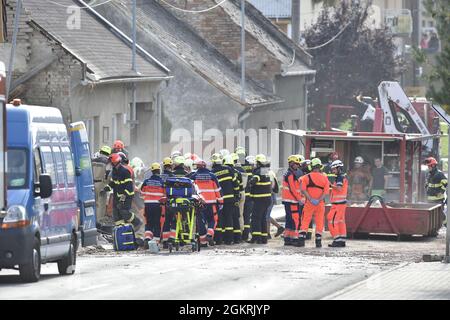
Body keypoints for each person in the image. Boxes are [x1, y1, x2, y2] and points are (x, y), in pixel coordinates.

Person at [105, 153, 143, 234]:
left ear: (115, 162)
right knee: (116, 214)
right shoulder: (115, 171)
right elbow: (113, 182)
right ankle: (122, 231)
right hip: (117, 196)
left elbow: (129, 187)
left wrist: (123, 198)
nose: (110, 164)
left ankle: (137, 222)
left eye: (111, 163)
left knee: (124, 212)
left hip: (127, 196)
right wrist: (107, 188)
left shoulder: (125, 171)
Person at [191, 159, 223, 246]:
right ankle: (209, 234)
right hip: (211, 203)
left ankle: (203, 242)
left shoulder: (194, 176)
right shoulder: (212, 176)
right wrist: (221, 202)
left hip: (199, 203)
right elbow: (218, 190)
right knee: (212, 220)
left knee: (201, 222)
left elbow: (192, 190)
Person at [299, 158, 330, 248]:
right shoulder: (324, 178)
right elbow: (326, 192)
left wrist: (310, 199)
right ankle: (318, 242)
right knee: (319, 221)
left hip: (309, 203)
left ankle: (301, 241)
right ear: (320, 167)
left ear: (311, 167)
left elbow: (303, 190)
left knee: (305, 220)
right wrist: (319, 200)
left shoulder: (305, 177)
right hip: (320, 204)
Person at [211, 153, 240, 245]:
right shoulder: (229, 170)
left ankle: (219, 240)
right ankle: (229, 240)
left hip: (219, 200)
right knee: (229, 219)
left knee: (219, 220)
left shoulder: (212, 173)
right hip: (230, 199)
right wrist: (236, 195)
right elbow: (236, 184)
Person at [248, 154, 273, 244]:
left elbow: (254, 180)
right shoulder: (266, 171)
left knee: (256, 218)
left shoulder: (258, 171)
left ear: (258, 163)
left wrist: (250, 182)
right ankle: (264, 238)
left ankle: (256, 237)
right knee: (263, 218)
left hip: (259, 199)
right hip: (267, 199)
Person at [141, 162, 166, 248]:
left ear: (152, 171)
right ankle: (155, 242)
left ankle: (147, 239)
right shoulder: (162, 182)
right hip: (157, 205)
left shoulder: (146, 182)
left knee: (149, 223)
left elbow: (142, 193)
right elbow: (164, 195)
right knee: (157, 224)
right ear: (159, 171)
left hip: (148, 205)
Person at [282, 155, 303, 246]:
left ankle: (287, 238)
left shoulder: (288, 173)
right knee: (294, 219)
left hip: (289, 200)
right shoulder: (290, 174)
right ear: (291, 163)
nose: (297, 166)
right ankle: (294, 238)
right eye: (295, 164)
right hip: (292, 200)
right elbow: (293, 188)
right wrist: (299, 199)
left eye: (298, 164)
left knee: (289, 219)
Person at [327, 160, 348, 247]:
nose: (333, 171)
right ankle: (342, 240)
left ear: (339, 168)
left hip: (337, 205)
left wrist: (330, 185)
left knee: (331, 221)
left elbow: (339, 188)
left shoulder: (339, 177)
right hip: (341, 204)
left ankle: (337, 240)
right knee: (340, 222)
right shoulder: (343, 176)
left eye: (334, 169)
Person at [92, 146, 112, 225]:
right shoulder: (108, 162)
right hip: (101, 185)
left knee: (92, 204)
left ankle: (92, 223)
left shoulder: (93, 160)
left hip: (92, 184)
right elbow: (108, 174)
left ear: (100, 152)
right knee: (100, 205)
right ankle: (98, 224)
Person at [424, 157, 447, 225]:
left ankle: (446, 225)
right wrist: (426, 185)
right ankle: (435, 229)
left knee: (440, 215)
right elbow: (429, 183)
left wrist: (441, 192)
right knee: (432, 217)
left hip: (438, 199)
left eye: (429, 166)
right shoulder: (430, 174)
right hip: (430, 199)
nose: (428, 167)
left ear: (433, 165)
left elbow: (445, 182)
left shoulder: (439, 174)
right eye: (428, 166)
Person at [266, 162, 284, 239]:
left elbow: (270, 185)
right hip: (271, 195)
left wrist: (266, 193)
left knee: (266, 215)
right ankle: (279, 227)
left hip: (269, 195)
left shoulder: (269, 173)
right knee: (267, 214)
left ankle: (267, 234)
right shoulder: (271, 172)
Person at [241, 155, 255, 241]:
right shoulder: (255, 172)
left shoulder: (240, 169)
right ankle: (246, 235)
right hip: (250, 197)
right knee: (247, 216)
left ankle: (242, 235)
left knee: (241, 216)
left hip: (242, 195)